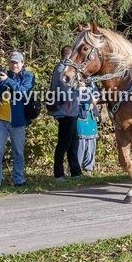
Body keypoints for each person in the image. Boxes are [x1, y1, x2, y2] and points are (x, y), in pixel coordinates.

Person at [0, 51, 35, 187]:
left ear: (22, 63)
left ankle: (18, 179)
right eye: (11, 62)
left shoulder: (28, 76)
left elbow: (23, 92)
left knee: (18, 152)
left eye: (16, 62)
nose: (14, 65)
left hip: (18, 120)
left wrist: (7, 80)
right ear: (9, 63)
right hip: (0, 120)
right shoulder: (4, 75)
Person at [50, 46, 82, 181]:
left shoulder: (64, 68)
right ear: (69, 56)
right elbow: (64, 93)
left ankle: (75, 172)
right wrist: (78, 91)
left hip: (71, 111)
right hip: (65, 111)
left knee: (73, 142)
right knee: (64, 143)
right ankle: (58, 173)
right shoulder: (62, 70)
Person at [76, 80, 99, 174]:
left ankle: (89, 168)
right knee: (80, 144)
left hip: (91, 115)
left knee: (91, 143)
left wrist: (92, 101)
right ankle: (77, 168)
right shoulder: (73, 82)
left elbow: (96, 96)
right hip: (80, 115)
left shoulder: (92, 82)